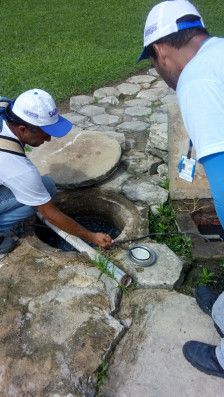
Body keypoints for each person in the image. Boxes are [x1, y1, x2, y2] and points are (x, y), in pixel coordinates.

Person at [137, 0, 224, 378]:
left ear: (160, 52)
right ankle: (222, 312)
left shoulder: (196, 81)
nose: (158, 72)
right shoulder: (219, 50)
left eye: (153, 64)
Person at [0, 88, 114, 254]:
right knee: (46, 189)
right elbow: (50, 213)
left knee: (44, 186)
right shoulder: (18, 168)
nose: (48, 139)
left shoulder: (5, 107)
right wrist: (92, 236)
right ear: (22, 129)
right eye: (44, 134)